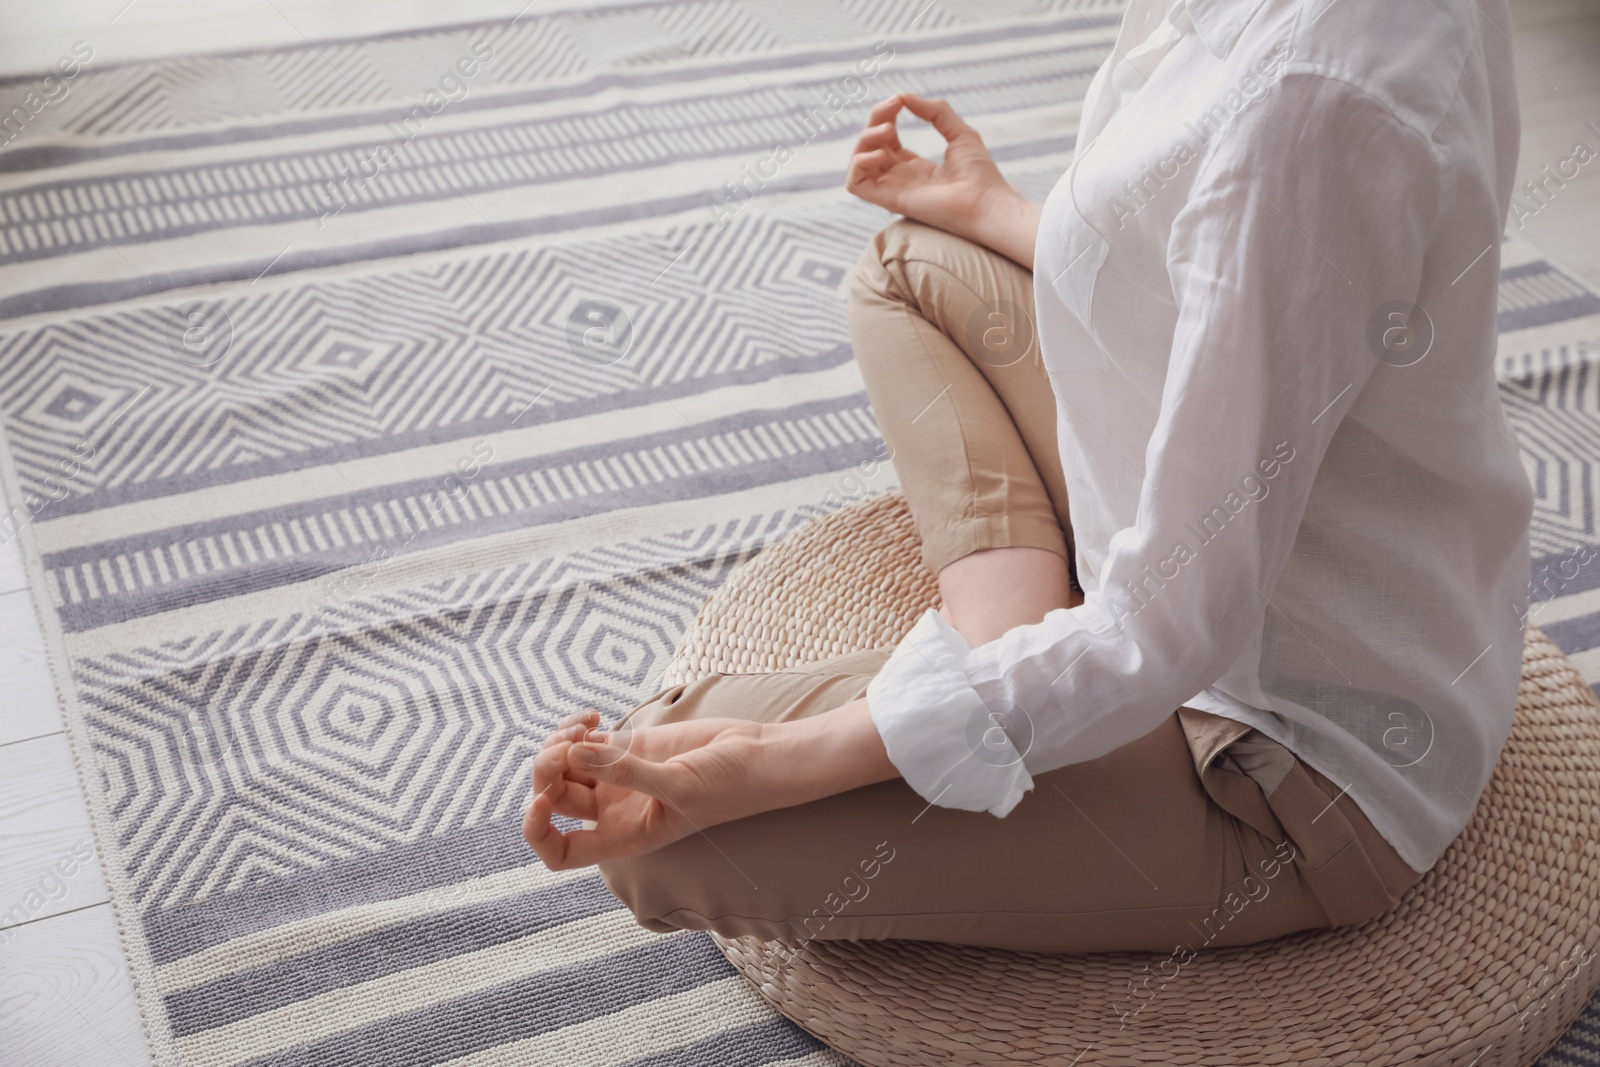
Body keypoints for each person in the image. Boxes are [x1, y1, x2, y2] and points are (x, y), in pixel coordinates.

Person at [522, 0, 1533, 955]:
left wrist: (776, 761)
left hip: (1280, 760)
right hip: (1226, 543)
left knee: (656, 825)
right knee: (912, 262)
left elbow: (1173, 627)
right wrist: (994, 208)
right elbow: (1230, 292)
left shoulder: (1315, 100)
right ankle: (1009, 656)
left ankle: (1015, 695)